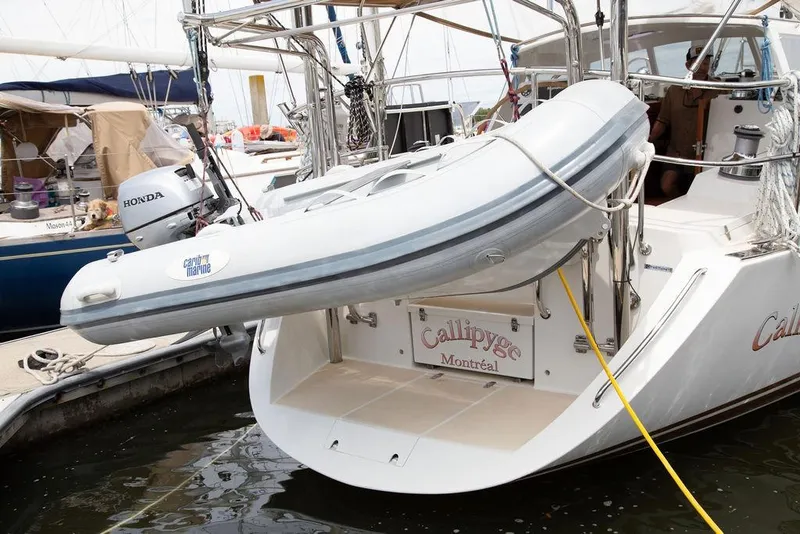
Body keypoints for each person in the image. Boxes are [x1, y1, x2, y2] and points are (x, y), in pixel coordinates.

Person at [648, 44, 722, 198]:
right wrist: (648, 141)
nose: (703, 68)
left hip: (707, 154)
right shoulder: (674, 90)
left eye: (706, 63)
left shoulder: (720, 89)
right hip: (677, 152)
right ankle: (680, 204)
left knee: (704, 193)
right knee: (666, 185)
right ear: (688, 65)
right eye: (698, 64)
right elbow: (662, 121)